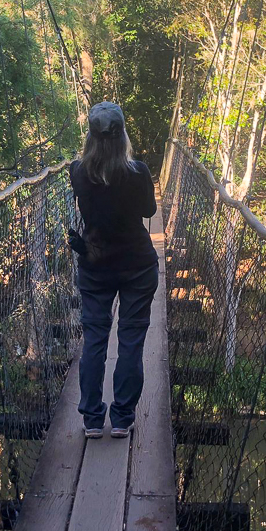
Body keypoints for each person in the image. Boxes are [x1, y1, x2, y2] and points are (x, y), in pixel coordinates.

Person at [69, 102, 158, 438]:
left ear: (91, 136)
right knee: (131, 342)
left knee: (94, 340)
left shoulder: (78, 172)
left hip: (95, 265)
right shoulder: (138, 171)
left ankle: (92, 420)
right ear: (122, 135)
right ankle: (122, 418)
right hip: (137, 265)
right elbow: (149, 210)